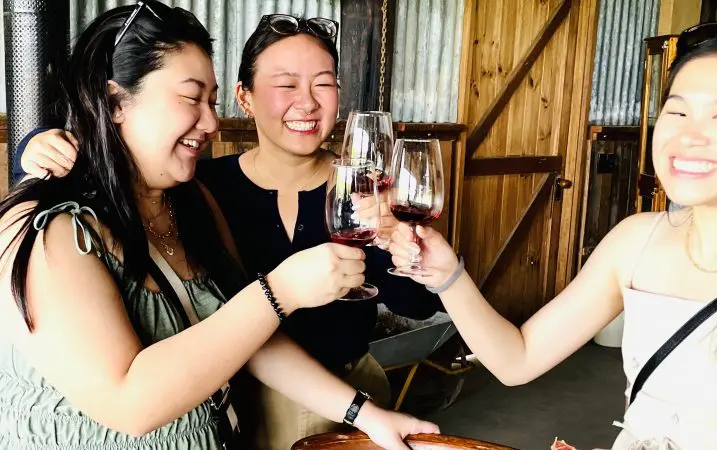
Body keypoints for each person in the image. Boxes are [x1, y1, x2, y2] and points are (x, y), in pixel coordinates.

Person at [0, 2, 438, 449]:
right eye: (192, 98)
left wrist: (366, 415)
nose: (211, 122)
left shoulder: (191, 202)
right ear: (115, 102)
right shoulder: (49, 229)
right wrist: (280, 291)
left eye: (211, 101)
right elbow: (129, 404)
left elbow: (248, 337)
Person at [388, 20, 717, 449]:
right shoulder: (635, 242)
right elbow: (518, 359)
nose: (689, 135)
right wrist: (446, 275)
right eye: (677, 111)